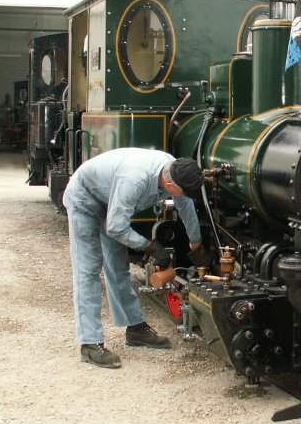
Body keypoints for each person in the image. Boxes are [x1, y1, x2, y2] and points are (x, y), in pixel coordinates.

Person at [62, 148, 204, 369]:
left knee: (118, 267)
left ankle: (135, 328)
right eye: (182, 192)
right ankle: (89, 343)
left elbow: (185, 206)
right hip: (86, 199)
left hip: (111, 200)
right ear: (171, 186)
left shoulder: (175, 169)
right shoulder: (134, 179)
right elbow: (116, 227)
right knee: (88, 269)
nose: (184, 196)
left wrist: (196, 245)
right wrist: (150, 247)